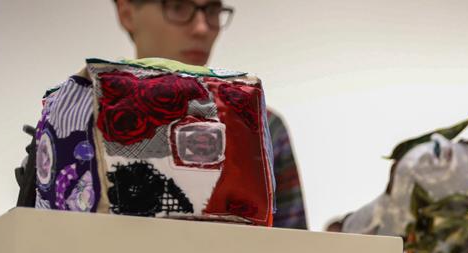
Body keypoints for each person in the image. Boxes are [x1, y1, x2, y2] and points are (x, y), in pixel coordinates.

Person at [20, 0, 306, 228]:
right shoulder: (78, 112)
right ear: (127, 12)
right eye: (178, 7)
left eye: (212, 10)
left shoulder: (263, 126)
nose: (201, 28)